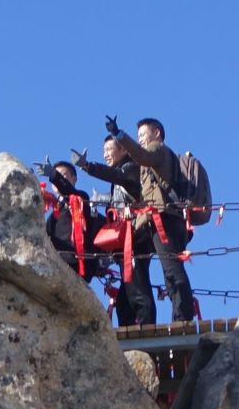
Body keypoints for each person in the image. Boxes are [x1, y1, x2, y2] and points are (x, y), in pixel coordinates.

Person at [75, 118, 200, 325]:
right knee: (151, 275)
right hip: (154, 220)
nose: (140, 139)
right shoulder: (145, 166)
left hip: (165, 218)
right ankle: (174, 318)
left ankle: (181, 320)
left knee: (170, 271)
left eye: (142, 135)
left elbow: (129, 168)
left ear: (157, 133)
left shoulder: (157, 151)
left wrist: (118, 135)